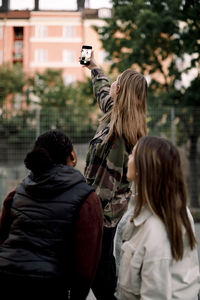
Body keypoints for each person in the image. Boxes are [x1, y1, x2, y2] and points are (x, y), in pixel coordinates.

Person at [0, 129, 103, 300]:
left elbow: (2, 237)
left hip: (5, 277)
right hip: (49, 287)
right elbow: (86, 264)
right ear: (72, 155)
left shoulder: (18, 191)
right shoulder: (87, 199)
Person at [82, 51, 147, 299]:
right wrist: (93, 67)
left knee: (100, 268)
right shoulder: (114, 114)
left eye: (117, 81)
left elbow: (105, 188)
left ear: (121, 91)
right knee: (100, 263)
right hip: (99, 208)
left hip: (103, 213)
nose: (114, 83)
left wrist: (87, 210)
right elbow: (103, 91)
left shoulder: (120, 134)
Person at [116, 136, 200, 300]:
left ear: (143, 168)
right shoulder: (172, 211)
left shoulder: (155, 232)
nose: (128, 158)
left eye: (133, 155)